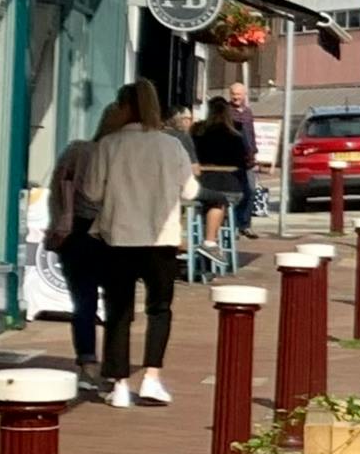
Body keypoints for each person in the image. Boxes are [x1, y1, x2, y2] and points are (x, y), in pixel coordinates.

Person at [86, 79, 197, 409]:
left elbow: (91, 192)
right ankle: (152, 377)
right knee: (159, 309)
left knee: (118, 311)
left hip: (118, 237)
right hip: (160, 239)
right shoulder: (171, 146)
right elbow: (190, 191)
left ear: (123, 107)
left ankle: (119, 383)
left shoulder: (109, 145)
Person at [46, 103, 131, 391]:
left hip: (76, 232)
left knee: (83, 300)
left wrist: (60, 222)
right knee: (116, 302)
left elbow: (57, 189)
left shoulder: (77, 150)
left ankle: (86, 361)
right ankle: (113, 366)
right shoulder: (120, 156)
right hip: (111, 231)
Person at [191, 96, 249, 251]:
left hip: (202, 184)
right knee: (228, 198)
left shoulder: (198, 131)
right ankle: (215, 238)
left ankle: (205, 236)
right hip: (229, 186)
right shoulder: (235, 134)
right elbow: (244, 163)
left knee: (202, 205)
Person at [228, 82, 259, 237]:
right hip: (233, 159)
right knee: (236, 192)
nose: (236, 97)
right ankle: (233, 225)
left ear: (244, 95)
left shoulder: (248, 112)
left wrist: (254, 152)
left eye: (239, 94)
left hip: (248, 159)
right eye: (233, 94)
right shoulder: (227, 112)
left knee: (250, 191)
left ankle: (245, 224)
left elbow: (251, 134)